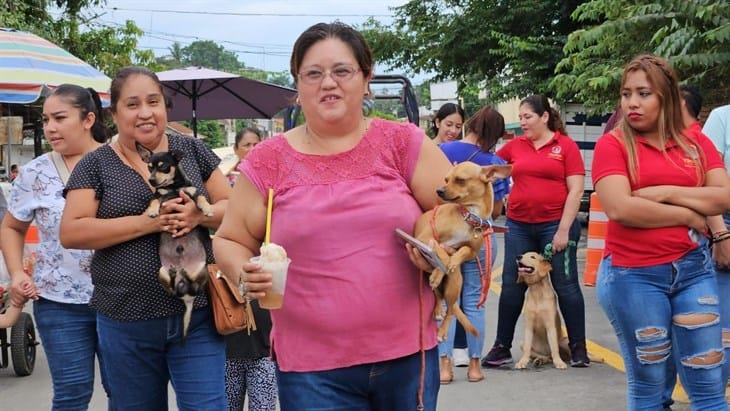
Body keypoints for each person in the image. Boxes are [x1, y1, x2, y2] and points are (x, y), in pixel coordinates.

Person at [213, 22, 451, 411]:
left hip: (407, 357)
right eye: (313, 74)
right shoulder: (269, 159)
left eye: (342, 71)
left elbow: (459, 209)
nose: (328, 83)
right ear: (297, 86)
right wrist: (244, 272)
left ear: (366, 79)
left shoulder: (403, 143)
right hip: (311, 370)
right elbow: (230, 239)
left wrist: (432, 235)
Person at [59, 67, 230, 411]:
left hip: (195, 316)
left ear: (165, 107)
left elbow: (233, 208)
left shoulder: (193, 150)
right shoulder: (96, 165)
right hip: (125, 320)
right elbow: (72, 231)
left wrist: (201, 214)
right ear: (114, 113)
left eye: (154, 102)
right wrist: (146, 223)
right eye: (132, 104)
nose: (145, 113)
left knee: (209, 406)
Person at [593, 54, 730, 410]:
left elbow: (724, 196)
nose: (632, 103)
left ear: (667, 98)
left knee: (709, 380)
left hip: (693, 272)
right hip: (633, 276)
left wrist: (665, 193)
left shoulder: (695, 143)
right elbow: (620, 208)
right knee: (650, 386)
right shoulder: (614, 144)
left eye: (643, 94)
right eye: (626, 94)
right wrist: (688, 214)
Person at [0, 84, 111, 410]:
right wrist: (18, 272)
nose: (50, 127)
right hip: (58, 303)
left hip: (120, 299)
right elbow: (11, 226)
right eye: (47, 119)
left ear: (88, 118)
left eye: (60, 118)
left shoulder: (117, 162)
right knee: (71, 395)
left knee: (125, 392)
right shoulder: (35, 172)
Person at [483, 94, 589, 368]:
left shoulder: (565, 146)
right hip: (518, 224)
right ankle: (502, 347)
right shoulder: (514, 146)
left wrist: (563, 230)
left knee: (565, 286)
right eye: (520, 117)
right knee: (512, 284)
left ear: (544, 117)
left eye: (527, 117)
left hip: (556, 224)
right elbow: (491, 167)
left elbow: (576, 189)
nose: (523, 122)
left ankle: (578, 348)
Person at [437, 106, 510, 383]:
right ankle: (475, 366)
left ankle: (444, 366)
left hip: (448, 235)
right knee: (474, 302)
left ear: (472, 124)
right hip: (482, 237)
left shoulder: (444, 150)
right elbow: (497, 210)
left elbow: (436, 192)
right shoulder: (492, 163)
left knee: (446, 302)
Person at [223, 126, 277, 411]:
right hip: (229, 295)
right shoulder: (225, 184)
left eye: (258, 143)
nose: (253, 149)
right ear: (236, 149)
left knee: (264, 404)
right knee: (226, 402)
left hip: (264, 296)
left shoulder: (272, 185)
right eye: (247, 144)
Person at [703, 102, 730, 391]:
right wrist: (721, 236)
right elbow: (707, 184)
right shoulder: (722, 118)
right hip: (727, 222)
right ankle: (714, 396)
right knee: (723, 329)